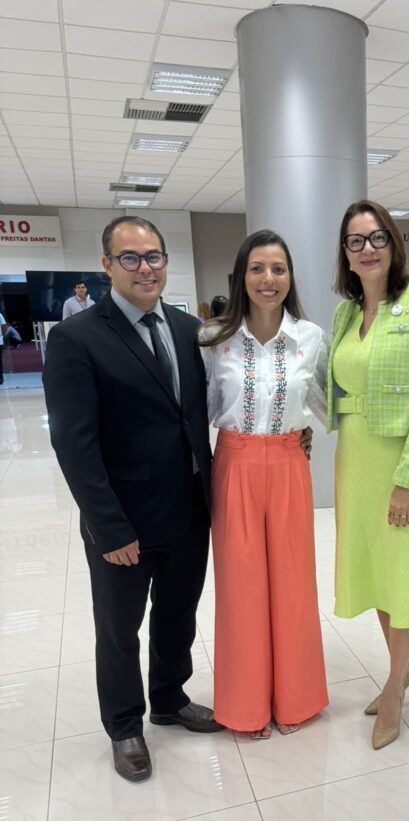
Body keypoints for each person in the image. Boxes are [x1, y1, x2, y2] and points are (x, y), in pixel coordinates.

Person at [43, 216, 222, 784]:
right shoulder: (76, 338)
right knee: (120, 629)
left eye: (154, 256)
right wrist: (109, 527)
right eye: (130, 257)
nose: (145, 268)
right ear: (106, 266)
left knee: (178, 615)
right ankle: (124, 726)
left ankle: (169, 698)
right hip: (124, 520)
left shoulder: (188, 328)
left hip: (189, 508)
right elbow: (74, 444)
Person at [328, 199, 409, 750]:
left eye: (377, 237)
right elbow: (336, 387)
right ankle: (403, 667)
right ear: (345, 253)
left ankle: (395, 687)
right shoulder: (346, 314)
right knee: (378, 569)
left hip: (402, 461)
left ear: (393, 243)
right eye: (355, 241)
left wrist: (408, 480)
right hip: (355, 457)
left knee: (402, 571)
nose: (368, 249)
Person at [200, 230, 328, 738]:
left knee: (294, 585)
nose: (268, 279)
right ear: (241, 277)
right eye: (257, 268)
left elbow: (329, 404)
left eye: (278, 268)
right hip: (234, 466)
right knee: (242, 589)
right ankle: (245, 706)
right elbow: (201, 410)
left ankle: (297, 700)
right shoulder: (215, 340)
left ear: (290, 277)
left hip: (289, 466)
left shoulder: (311, 338)